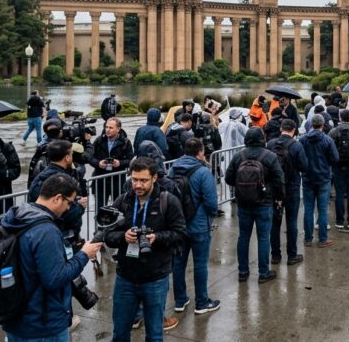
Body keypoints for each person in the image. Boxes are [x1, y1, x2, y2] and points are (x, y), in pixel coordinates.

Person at [2, 174, 103, 342]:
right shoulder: (46, 231)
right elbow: (54, 279)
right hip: (42, 324)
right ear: (57, 198)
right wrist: (84, 255)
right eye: (69, 203)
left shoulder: (18, 216)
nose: (69, 208)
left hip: (16, 316)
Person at [104, 156, 187, 342]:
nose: (138, 185)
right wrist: (123, 237)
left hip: (155, 278)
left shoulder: (169, 201)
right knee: (119, 333)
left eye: (143, 180)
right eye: (134, 179)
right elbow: (107, 235)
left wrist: (156, 238)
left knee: (155, 335)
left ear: (155, 178)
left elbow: (180, 234)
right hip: (126, 277)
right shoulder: (123, 201)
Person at [226, 128, 284, 283]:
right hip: (264, 202)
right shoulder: (270, 156)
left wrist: (242, 187)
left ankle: (243, 272)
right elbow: (279, 179)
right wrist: (278, 197)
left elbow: (228, 178)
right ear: (262, 139)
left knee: (243, 236)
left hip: (243, 203)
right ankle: (263, 272)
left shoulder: (239, 156)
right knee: (263, 237)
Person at [170, 139, 221, 315]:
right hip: (198, 225)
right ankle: (201, 302)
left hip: (178, 224)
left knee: (178, 263)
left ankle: (180, 299)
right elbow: (211, 202)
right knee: (200, 264)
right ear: (200, 152)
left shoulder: (173, 168)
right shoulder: (203, 172)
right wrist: (210, 216)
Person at [28, 140, 90, 246]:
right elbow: (65, 212)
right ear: (67, 158)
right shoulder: (62, 181)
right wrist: (80, 207)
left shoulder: (40, 176)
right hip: (61, 236)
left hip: (41, 232)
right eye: (71, 154)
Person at [266, 119, 308, 266]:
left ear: (281, 129)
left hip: (275, 189)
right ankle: (292, 255)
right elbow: (304, 166)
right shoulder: (297, 145)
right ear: (294, 129)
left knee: (275, 222)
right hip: (292, 188)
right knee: (291, 221)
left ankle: (275, 255)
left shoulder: (271, 144)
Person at [299, 114, 337, 248]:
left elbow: (299, 157)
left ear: (311, 124)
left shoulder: (302, 139)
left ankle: (308, 239)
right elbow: (335, 158)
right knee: (322, 209)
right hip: (323, 178)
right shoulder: (327, 140)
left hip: (308, 178)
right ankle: (322, 239)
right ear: (322, 125)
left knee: (308, 209)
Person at [90, 117, 134, 212]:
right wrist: (98, 163)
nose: (107, 130)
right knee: (100, 209)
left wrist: (120, 163)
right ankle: (100, 226)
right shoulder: (99, 140)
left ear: (118, 129)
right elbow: (90, 158)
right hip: (100, 179)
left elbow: (131, 160)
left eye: (111, 128)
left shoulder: (125, 142)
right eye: (106, 127)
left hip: (117, 181)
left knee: (117, 208)